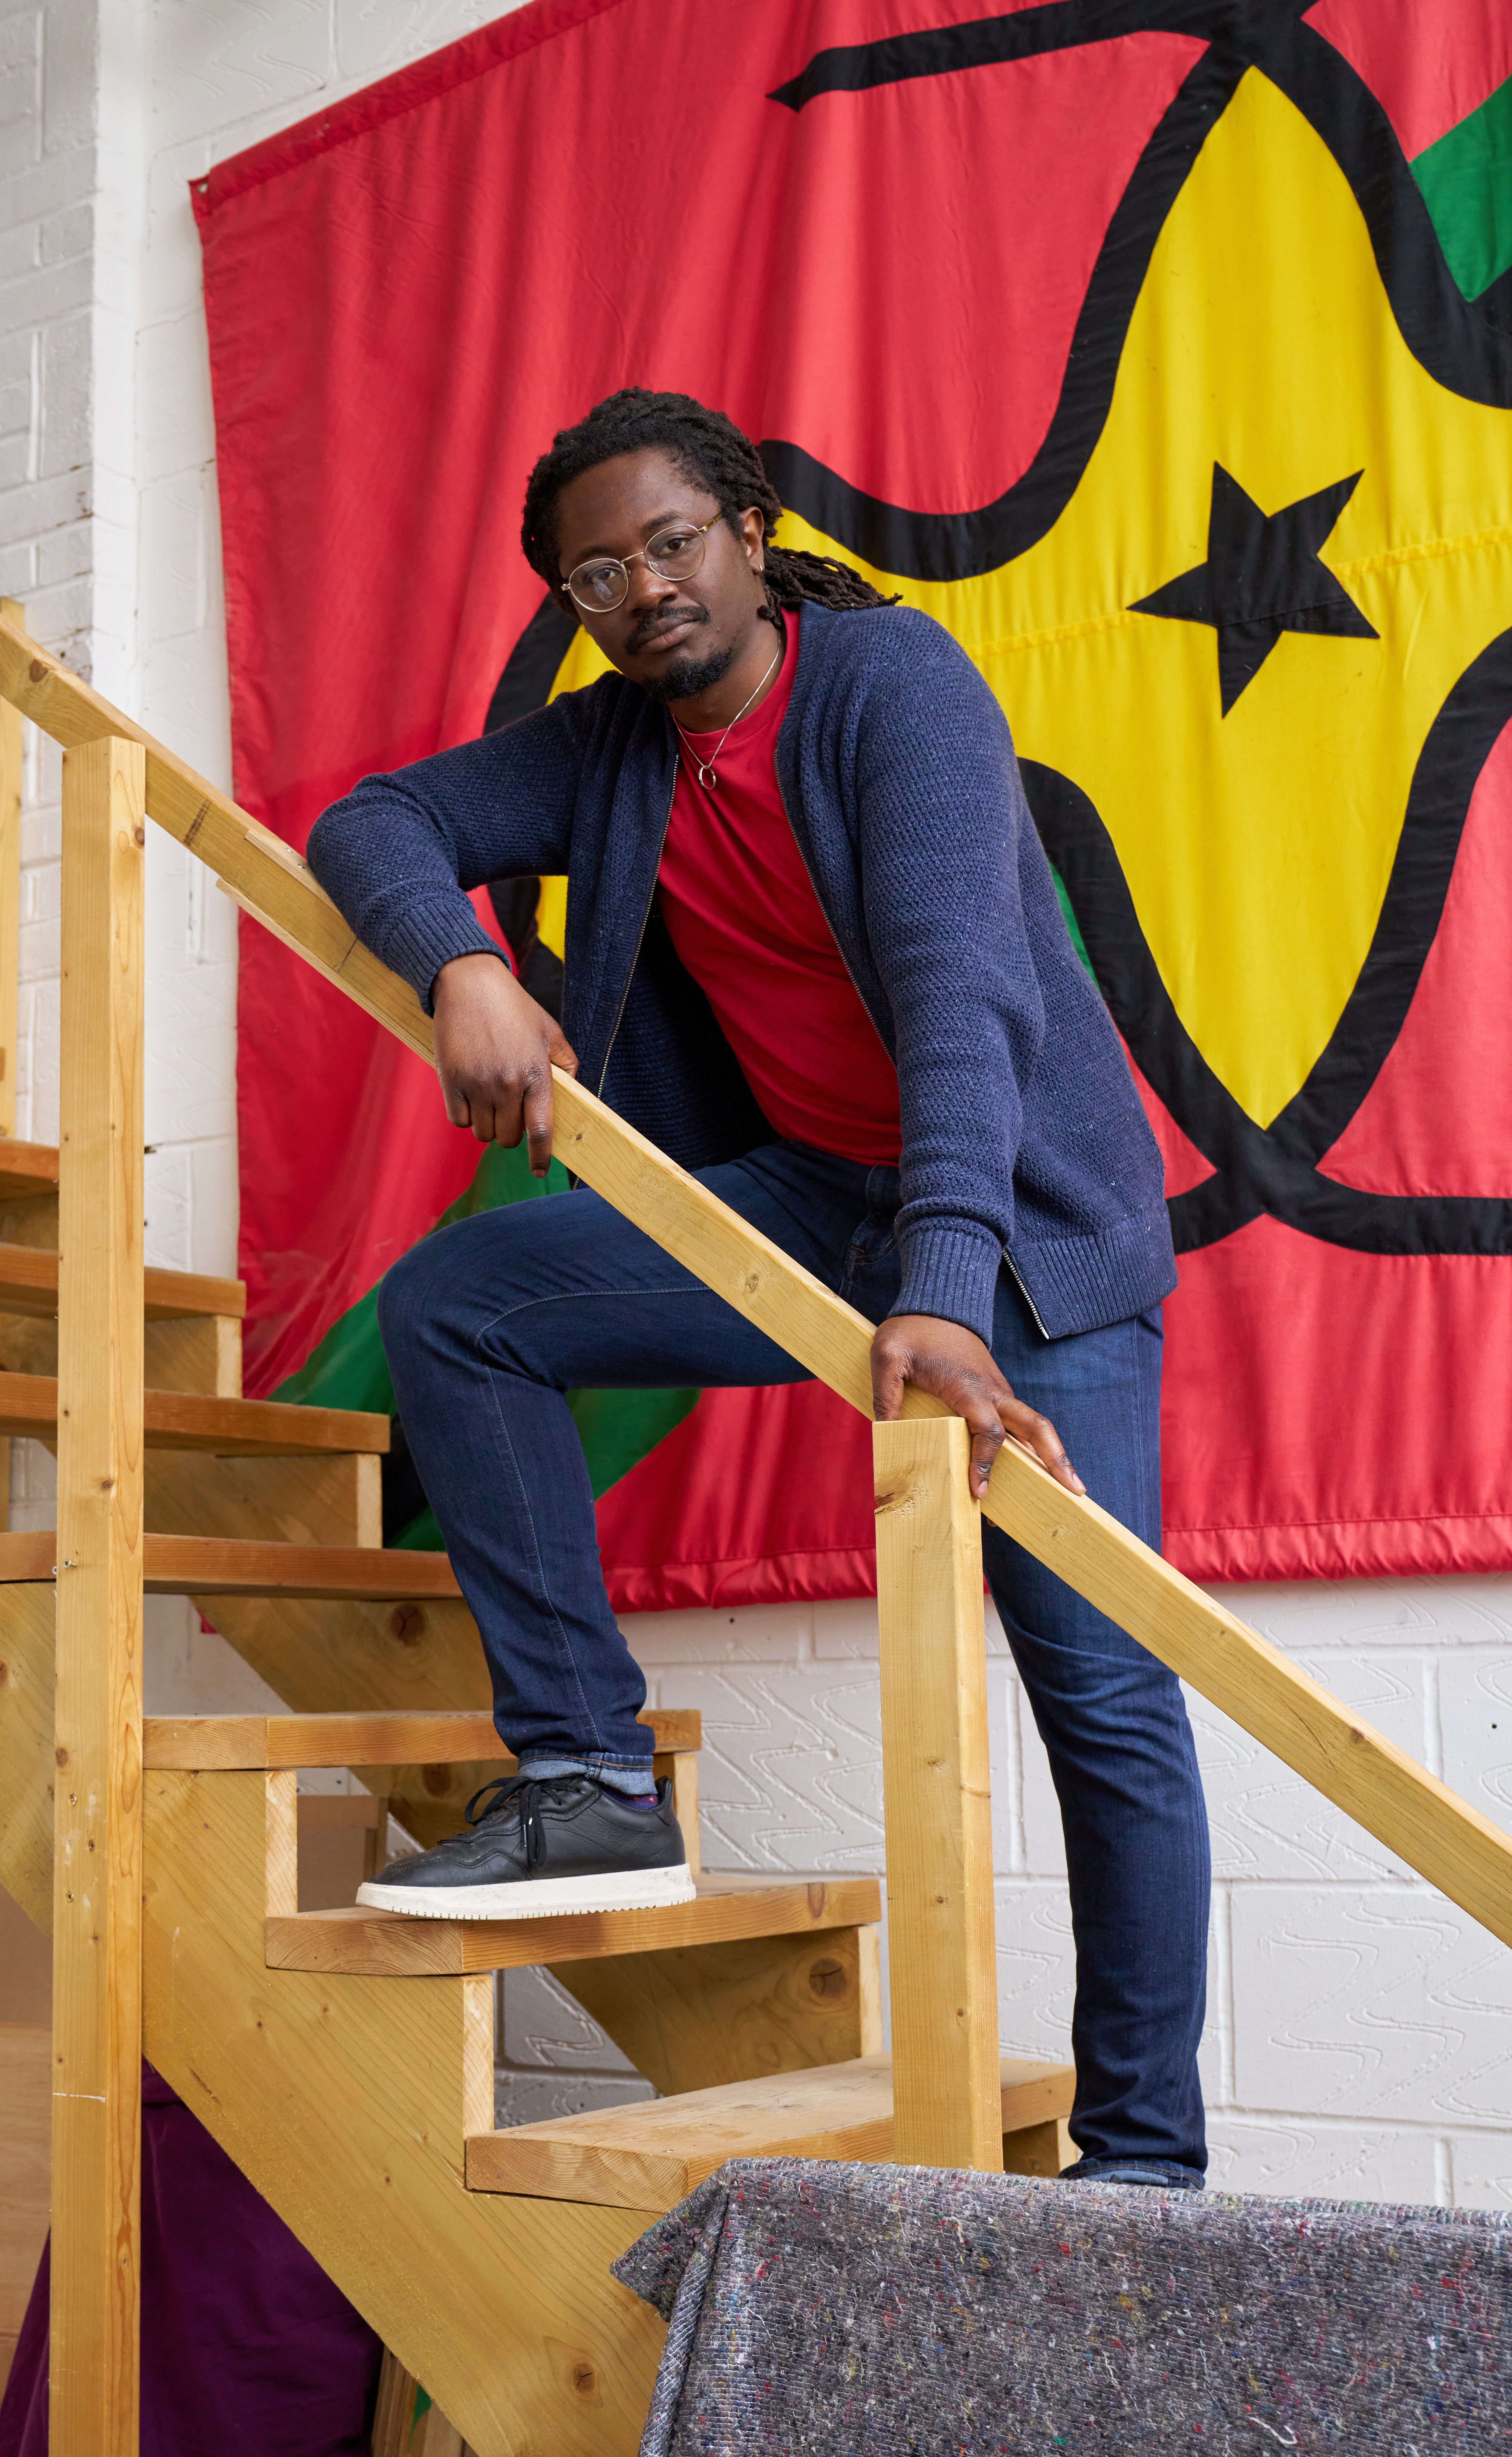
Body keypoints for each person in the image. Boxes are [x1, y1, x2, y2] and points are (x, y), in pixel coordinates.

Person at [307, 389, 1210, 2189]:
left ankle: (1142, 2166)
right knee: (464, 1305)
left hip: (1021, 1234)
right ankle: (586, 1779)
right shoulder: (610, 747)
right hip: (813, 1205)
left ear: (746, 527)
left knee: (1100, 1690)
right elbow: (373, 820)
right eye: (596, 575)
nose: (643, 588)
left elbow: (965, 1004)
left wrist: (944, 1287)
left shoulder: (892, 686)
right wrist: (462, 966)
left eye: (669, 542)